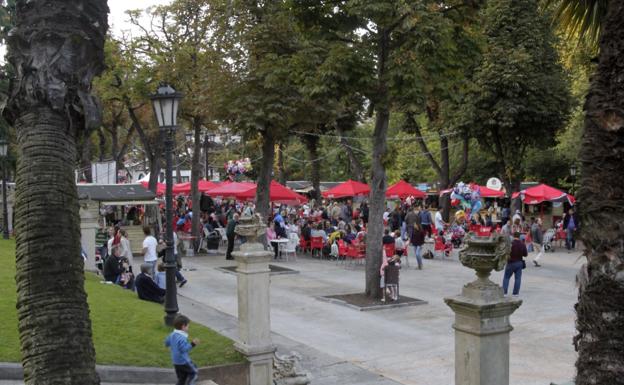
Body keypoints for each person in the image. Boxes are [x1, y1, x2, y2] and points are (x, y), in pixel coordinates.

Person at [165, 315, 200, 385]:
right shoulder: (181, 338)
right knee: (194, 372)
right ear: (183, 326)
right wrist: (192, 344)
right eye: (188, 326)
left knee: (182, 378)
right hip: (183, 361)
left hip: (175, 362)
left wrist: (172, 346)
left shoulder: (172, 334)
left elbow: (166, 343)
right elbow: (183, 349)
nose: (188, 328)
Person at [502, 232, 527, 296]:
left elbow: (505, 252)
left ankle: (504, 292)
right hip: (519, 263)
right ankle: (515, 293)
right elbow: (525, 254)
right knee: (518, 278)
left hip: (510, 262)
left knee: (506, 277)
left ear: (513, 236)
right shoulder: (522, 244)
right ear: (519, 236)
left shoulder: (510, 244)